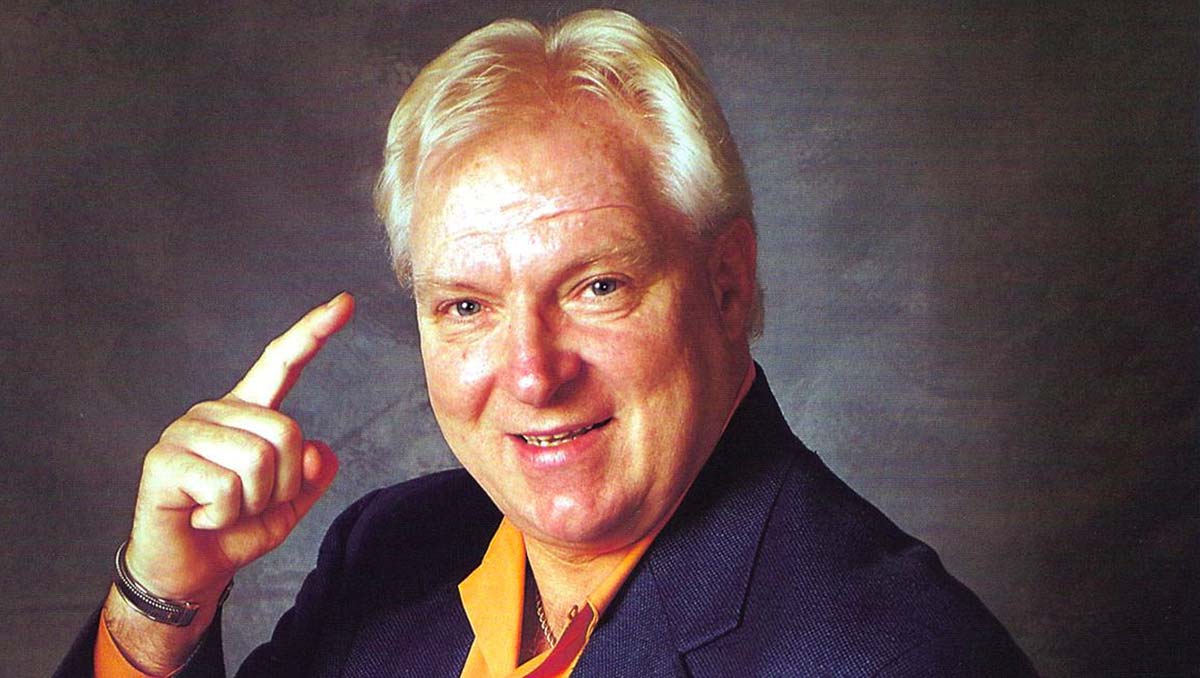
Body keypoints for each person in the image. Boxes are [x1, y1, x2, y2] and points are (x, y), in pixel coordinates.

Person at [57, 9, 1036, 677]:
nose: (531, 373)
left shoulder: (896, 656)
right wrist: (159, 609)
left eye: (596, 287)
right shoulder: (392, 552)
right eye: (466, 306)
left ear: (726, 284)